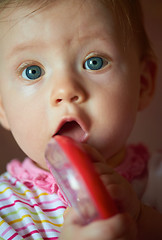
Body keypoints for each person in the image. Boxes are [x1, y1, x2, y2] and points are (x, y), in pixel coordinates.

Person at [0, 0, 162, 239]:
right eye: (32, 71)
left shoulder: (157, 180)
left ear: (143, 85)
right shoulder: (7, 208)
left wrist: (141, 219)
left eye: (94, 62)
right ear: (2, 106)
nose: (65, 90)